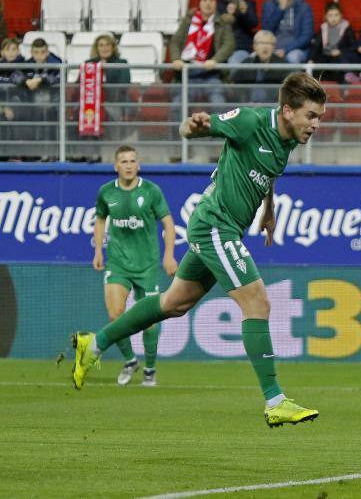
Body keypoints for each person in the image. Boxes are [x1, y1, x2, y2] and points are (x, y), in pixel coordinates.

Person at [71, 72, 326, 428]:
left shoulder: (288, 141)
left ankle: (93, 344)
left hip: (227, 229)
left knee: (174, 303)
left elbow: (268, 176)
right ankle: (275, 400)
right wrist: (194, 126)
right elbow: (197, 129)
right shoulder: (251, 121)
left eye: (320, 117)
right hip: (213, 225)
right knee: (257, 301)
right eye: (311, 116)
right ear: (287, 110)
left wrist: (269, 212)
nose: (316, 124)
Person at [93, 146, 178, 386]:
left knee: (149, 321)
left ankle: (150, 369)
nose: (129, 165)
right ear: (116, 166)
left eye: (133, 161)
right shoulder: (106, 192)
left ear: (138, 165)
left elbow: (168, 224)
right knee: (115, 315)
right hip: (118, 263)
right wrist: (98, 250)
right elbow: (100, 219)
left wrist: (169, 256)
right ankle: (130, 360)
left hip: (147, 266)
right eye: (124, 161)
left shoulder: (151, 191)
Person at [169, 0, 235, 108]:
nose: (208, 3)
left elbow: (229, 44)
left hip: (212, 75)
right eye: (204, 0)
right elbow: (175, 42)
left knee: (219, 104)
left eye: (211, 0)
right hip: (188, 73)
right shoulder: (188, 22)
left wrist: (215, 60)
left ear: (216, 4)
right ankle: (178, 127)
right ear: (199, 4)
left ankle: (218, 127)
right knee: (177, 105)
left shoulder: (222, 23)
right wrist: (176, 59)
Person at [12, 37, 62, 142]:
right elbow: (14, 76)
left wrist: (41, 80)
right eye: (36, 52)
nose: (39, 55)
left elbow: (59, 78)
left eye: (43, 52)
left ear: (47, 51)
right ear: (31, 52)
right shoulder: (26, 64)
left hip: (52, 103)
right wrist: (25, 81)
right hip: (31, 103)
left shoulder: (57, 64)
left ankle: (51, 152)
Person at [261, 0, 314, 64]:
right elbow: (266, 30)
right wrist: (280, 9)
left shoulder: (304, 7)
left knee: (293, 58)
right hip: (271, 47)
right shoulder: (268, 4)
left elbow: (306, 36)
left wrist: (285, 50)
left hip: (296, 49)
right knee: (254, 57)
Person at [230, 30, 291, 104]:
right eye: (261, 43)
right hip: (249, 107)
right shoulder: (247, 63)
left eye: (269, 43)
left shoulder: (282, 65)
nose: (265, 47)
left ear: (274, 47)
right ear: (254, 46)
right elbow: (234, 84)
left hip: (272, 108)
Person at [309, 2, 356, 84]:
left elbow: (353, 47)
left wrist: (341, 51)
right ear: (326, 16)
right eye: (330, 15)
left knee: (338, 70)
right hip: (325, 57)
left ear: (341, 15)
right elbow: (316, 46)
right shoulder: (323, 28)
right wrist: (311, 59)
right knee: (314, 69)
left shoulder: (347, 28)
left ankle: (344, 88)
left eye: (336, 15)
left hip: (339, 58)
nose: (333, 18)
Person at [218, 0, 259, 65]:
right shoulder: (217, 4)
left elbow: (254, 23)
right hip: (221, 45)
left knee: (235, 61)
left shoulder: (249, 3)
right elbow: (216, 25)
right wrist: (229, 14)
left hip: (241, 46)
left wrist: (244, 13)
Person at [0, 38, 24, 142]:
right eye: (7, 49)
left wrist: (9, 106)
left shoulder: (25, 66)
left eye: (13, 49)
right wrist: (3, 107)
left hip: (20, 104)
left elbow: (20, 90)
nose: (10, 53)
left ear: (18, 51)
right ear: (2, 52)